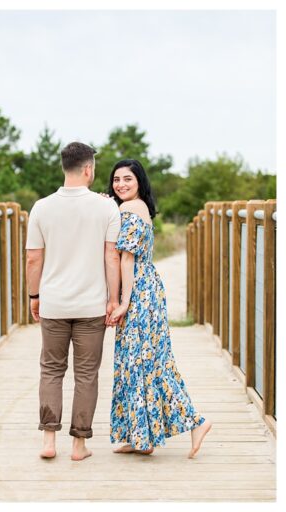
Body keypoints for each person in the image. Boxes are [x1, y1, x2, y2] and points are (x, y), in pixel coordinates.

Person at [106, 159, 212, 458]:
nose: (121, 184)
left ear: (140, 181)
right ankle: (142, 436)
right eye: (116, 180)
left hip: (139, 292)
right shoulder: (135, 207)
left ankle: (196, 421)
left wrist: (124, 301)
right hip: (149, 288)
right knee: (144, 361)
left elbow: (126, 259)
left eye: (127, 179)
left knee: (142, 362)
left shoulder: (129, 209)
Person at [25, 142, 121, 461]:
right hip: (92, 306)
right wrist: (114, 298)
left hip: (53, 303)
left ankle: (48, 441)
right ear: (88, 169)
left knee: (51, 370)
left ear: (64, 168)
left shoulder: (41, 207)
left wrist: (34, 296)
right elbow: (111, 256)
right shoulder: (107, 208)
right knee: (86, 374)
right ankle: (79, 446)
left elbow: (33, 260)